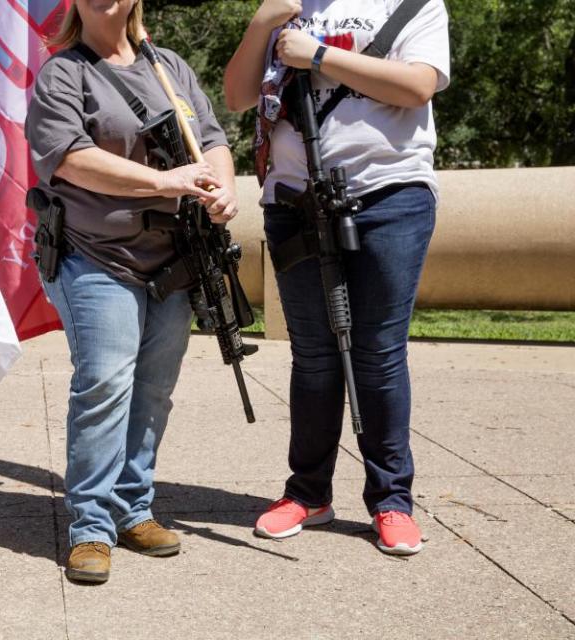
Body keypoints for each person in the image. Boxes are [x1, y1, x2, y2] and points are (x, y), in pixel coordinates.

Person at [223, 0, 450, 555]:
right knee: (315, 355)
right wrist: (262, 23)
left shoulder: (413, 4)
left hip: (388, 196)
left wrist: (319, 55)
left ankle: (392, 501)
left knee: (378, 353)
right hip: (293, 199)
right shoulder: (285, 8)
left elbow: (418, 85)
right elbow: (235, 96)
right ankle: (307, 494)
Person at [26, 0, 238, 583]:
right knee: (104, 385)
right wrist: (162, 181)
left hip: (175, 257)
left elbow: (212, 137)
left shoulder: (168, 66)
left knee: (154, 390)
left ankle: (131, 508)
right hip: (95, 255)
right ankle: (90, 527)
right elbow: (68, 159)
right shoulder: (64, 72)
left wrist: (223, 187)